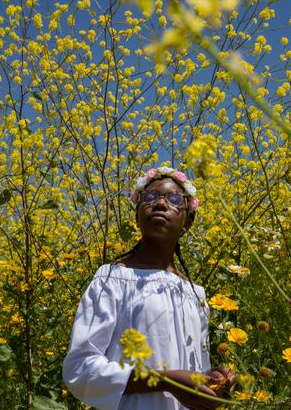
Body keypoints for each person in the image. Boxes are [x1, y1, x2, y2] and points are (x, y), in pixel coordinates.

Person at [63, 167, 234, 410]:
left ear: (188, 221)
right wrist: (165, 380)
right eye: (150, 198)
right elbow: (81, 369)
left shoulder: (195, 293)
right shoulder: (111, 279)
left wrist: (214, 381)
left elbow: (194, 373)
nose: (161, 204)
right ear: (137, 216)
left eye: (174, 199)